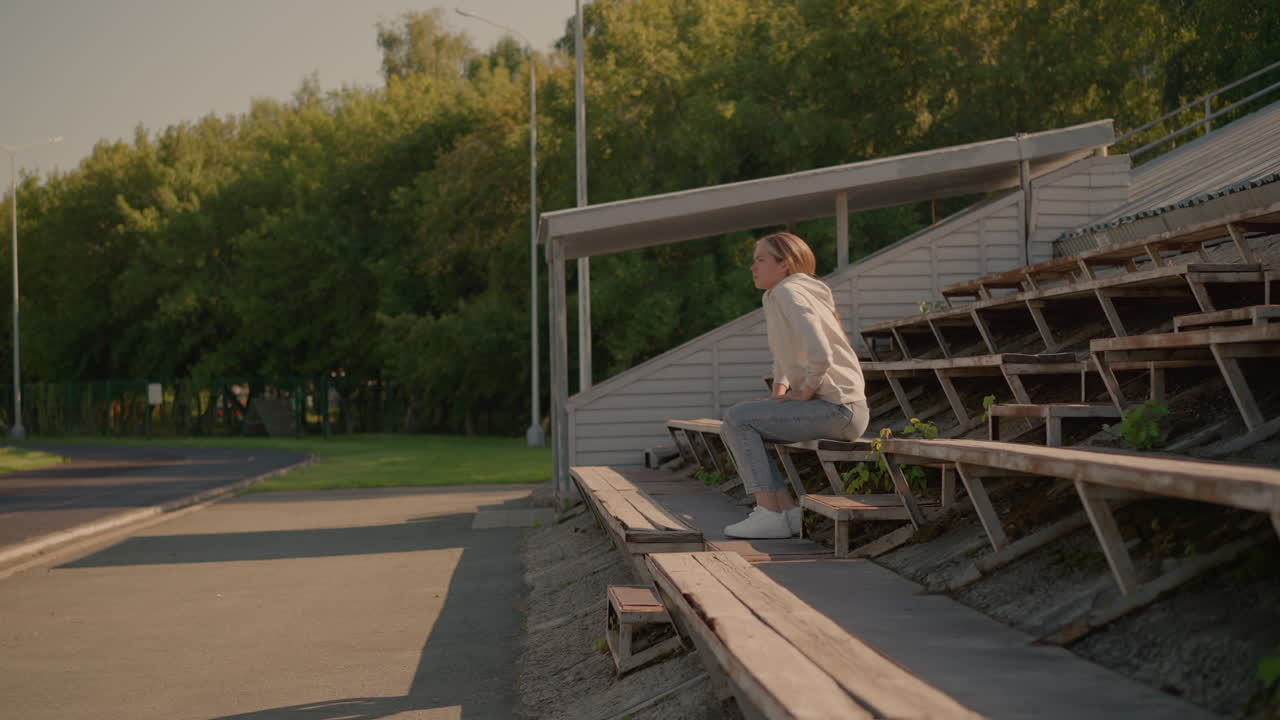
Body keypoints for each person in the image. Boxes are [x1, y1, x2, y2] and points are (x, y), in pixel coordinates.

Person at [721, 232, 870, 539]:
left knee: (737, 418)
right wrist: (778, 395)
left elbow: (820, 351)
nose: (753, 267)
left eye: (761, 260)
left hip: (839, 409)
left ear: (784, 265)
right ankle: (786, 512)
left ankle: (769, 513)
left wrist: (806, 391)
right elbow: (784, 354)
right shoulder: (778, 294)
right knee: (741, 418)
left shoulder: (789, 291)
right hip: (836, 409)